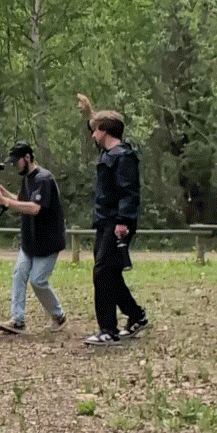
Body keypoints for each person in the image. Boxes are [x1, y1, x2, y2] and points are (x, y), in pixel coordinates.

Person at [77, 94, 148, 344]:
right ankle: (136, 315)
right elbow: (98, 123)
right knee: (111, 274)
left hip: (116, 224)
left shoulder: (124, 157)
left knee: (102, 274)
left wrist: (123, 222)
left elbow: (129, 192)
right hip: (104, 221)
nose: (92, 133)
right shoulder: (110, 152)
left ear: (104, 131)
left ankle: (108, 330)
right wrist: (90, 111)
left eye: (95, 129)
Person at [0, 141, 67, 334]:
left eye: (17, 161)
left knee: (38, 281)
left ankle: (59, 316)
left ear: (27, 158)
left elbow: (34, 207)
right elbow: (21, 199)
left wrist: (4, 202)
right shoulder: (28, 179)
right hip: (30, 241)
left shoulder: (44, 179)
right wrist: (3, 191)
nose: (16, 165)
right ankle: (17, 321)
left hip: (48, 242)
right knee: (19, 274)